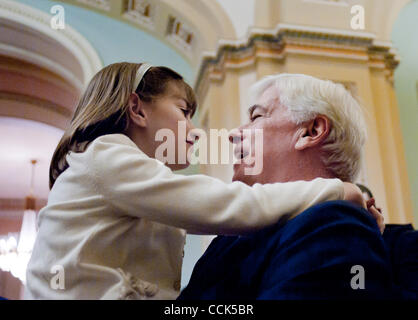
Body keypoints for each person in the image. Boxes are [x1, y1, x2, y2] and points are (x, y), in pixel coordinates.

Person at [25, 63, 361, 300]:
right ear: (137, 110)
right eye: (184, 112)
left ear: (312, 131)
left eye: (256, 116)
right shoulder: (108, 156)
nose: (198, 130)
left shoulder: (332, 226)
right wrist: (337, 189)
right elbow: (225, 204)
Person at [178, 74, 392, 300]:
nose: (233, 134)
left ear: (311, 131)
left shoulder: (339, 226)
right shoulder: (228, 239)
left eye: (256, 116)